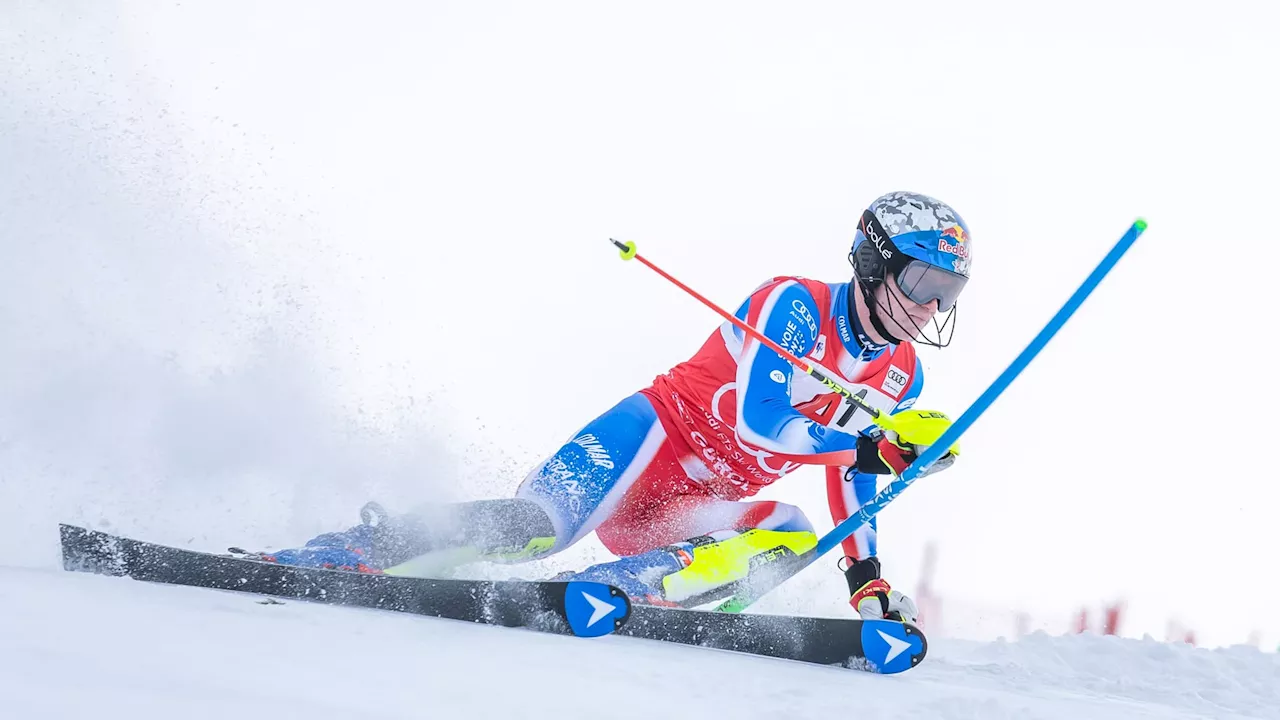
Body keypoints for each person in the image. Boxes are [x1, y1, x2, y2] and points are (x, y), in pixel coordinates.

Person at [265, 191, 970, 622]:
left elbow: (852, 475)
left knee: (790, 531)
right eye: (923, 280)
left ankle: (617, 589)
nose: (933, 305)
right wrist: (876, 447)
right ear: (873, 262)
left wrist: (864, 578)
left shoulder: (902, 379)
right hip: (644, 447)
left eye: (950, 291)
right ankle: (348, 550)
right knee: (532, 529)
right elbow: (762, 421)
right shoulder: (794, 304)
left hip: (691, 510)